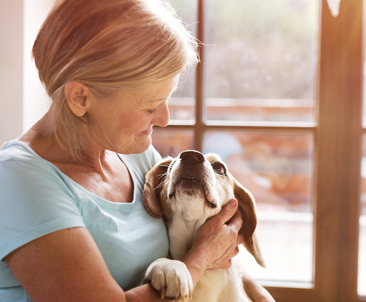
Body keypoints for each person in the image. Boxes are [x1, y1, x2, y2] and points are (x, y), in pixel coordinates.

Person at [0, 0, 275, 301]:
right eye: (150, 106)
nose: (165, 119)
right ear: (80, 98)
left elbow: (205, 241)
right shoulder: (18, 180)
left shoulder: (135, 154)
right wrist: (199, 260)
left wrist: (256, 293)